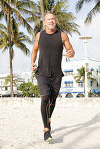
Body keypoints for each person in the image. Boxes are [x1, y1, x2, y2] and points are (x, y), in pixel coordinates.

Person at [31, 11, 75, 142]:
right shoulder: (40, 35)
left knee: (52, 102)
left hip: (56, 74)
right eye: (48, 19)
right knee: (45, 97)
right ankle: (46, 130)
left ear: (55, 21)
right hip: (42, 72)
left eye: (53, 19)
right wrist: (32, 62)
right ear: (44, 22)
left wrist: (71, 53)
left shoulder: (62, 36)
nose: (51, 21)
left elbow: (71, 50)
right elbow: (34, 50)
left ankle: (48, 121)